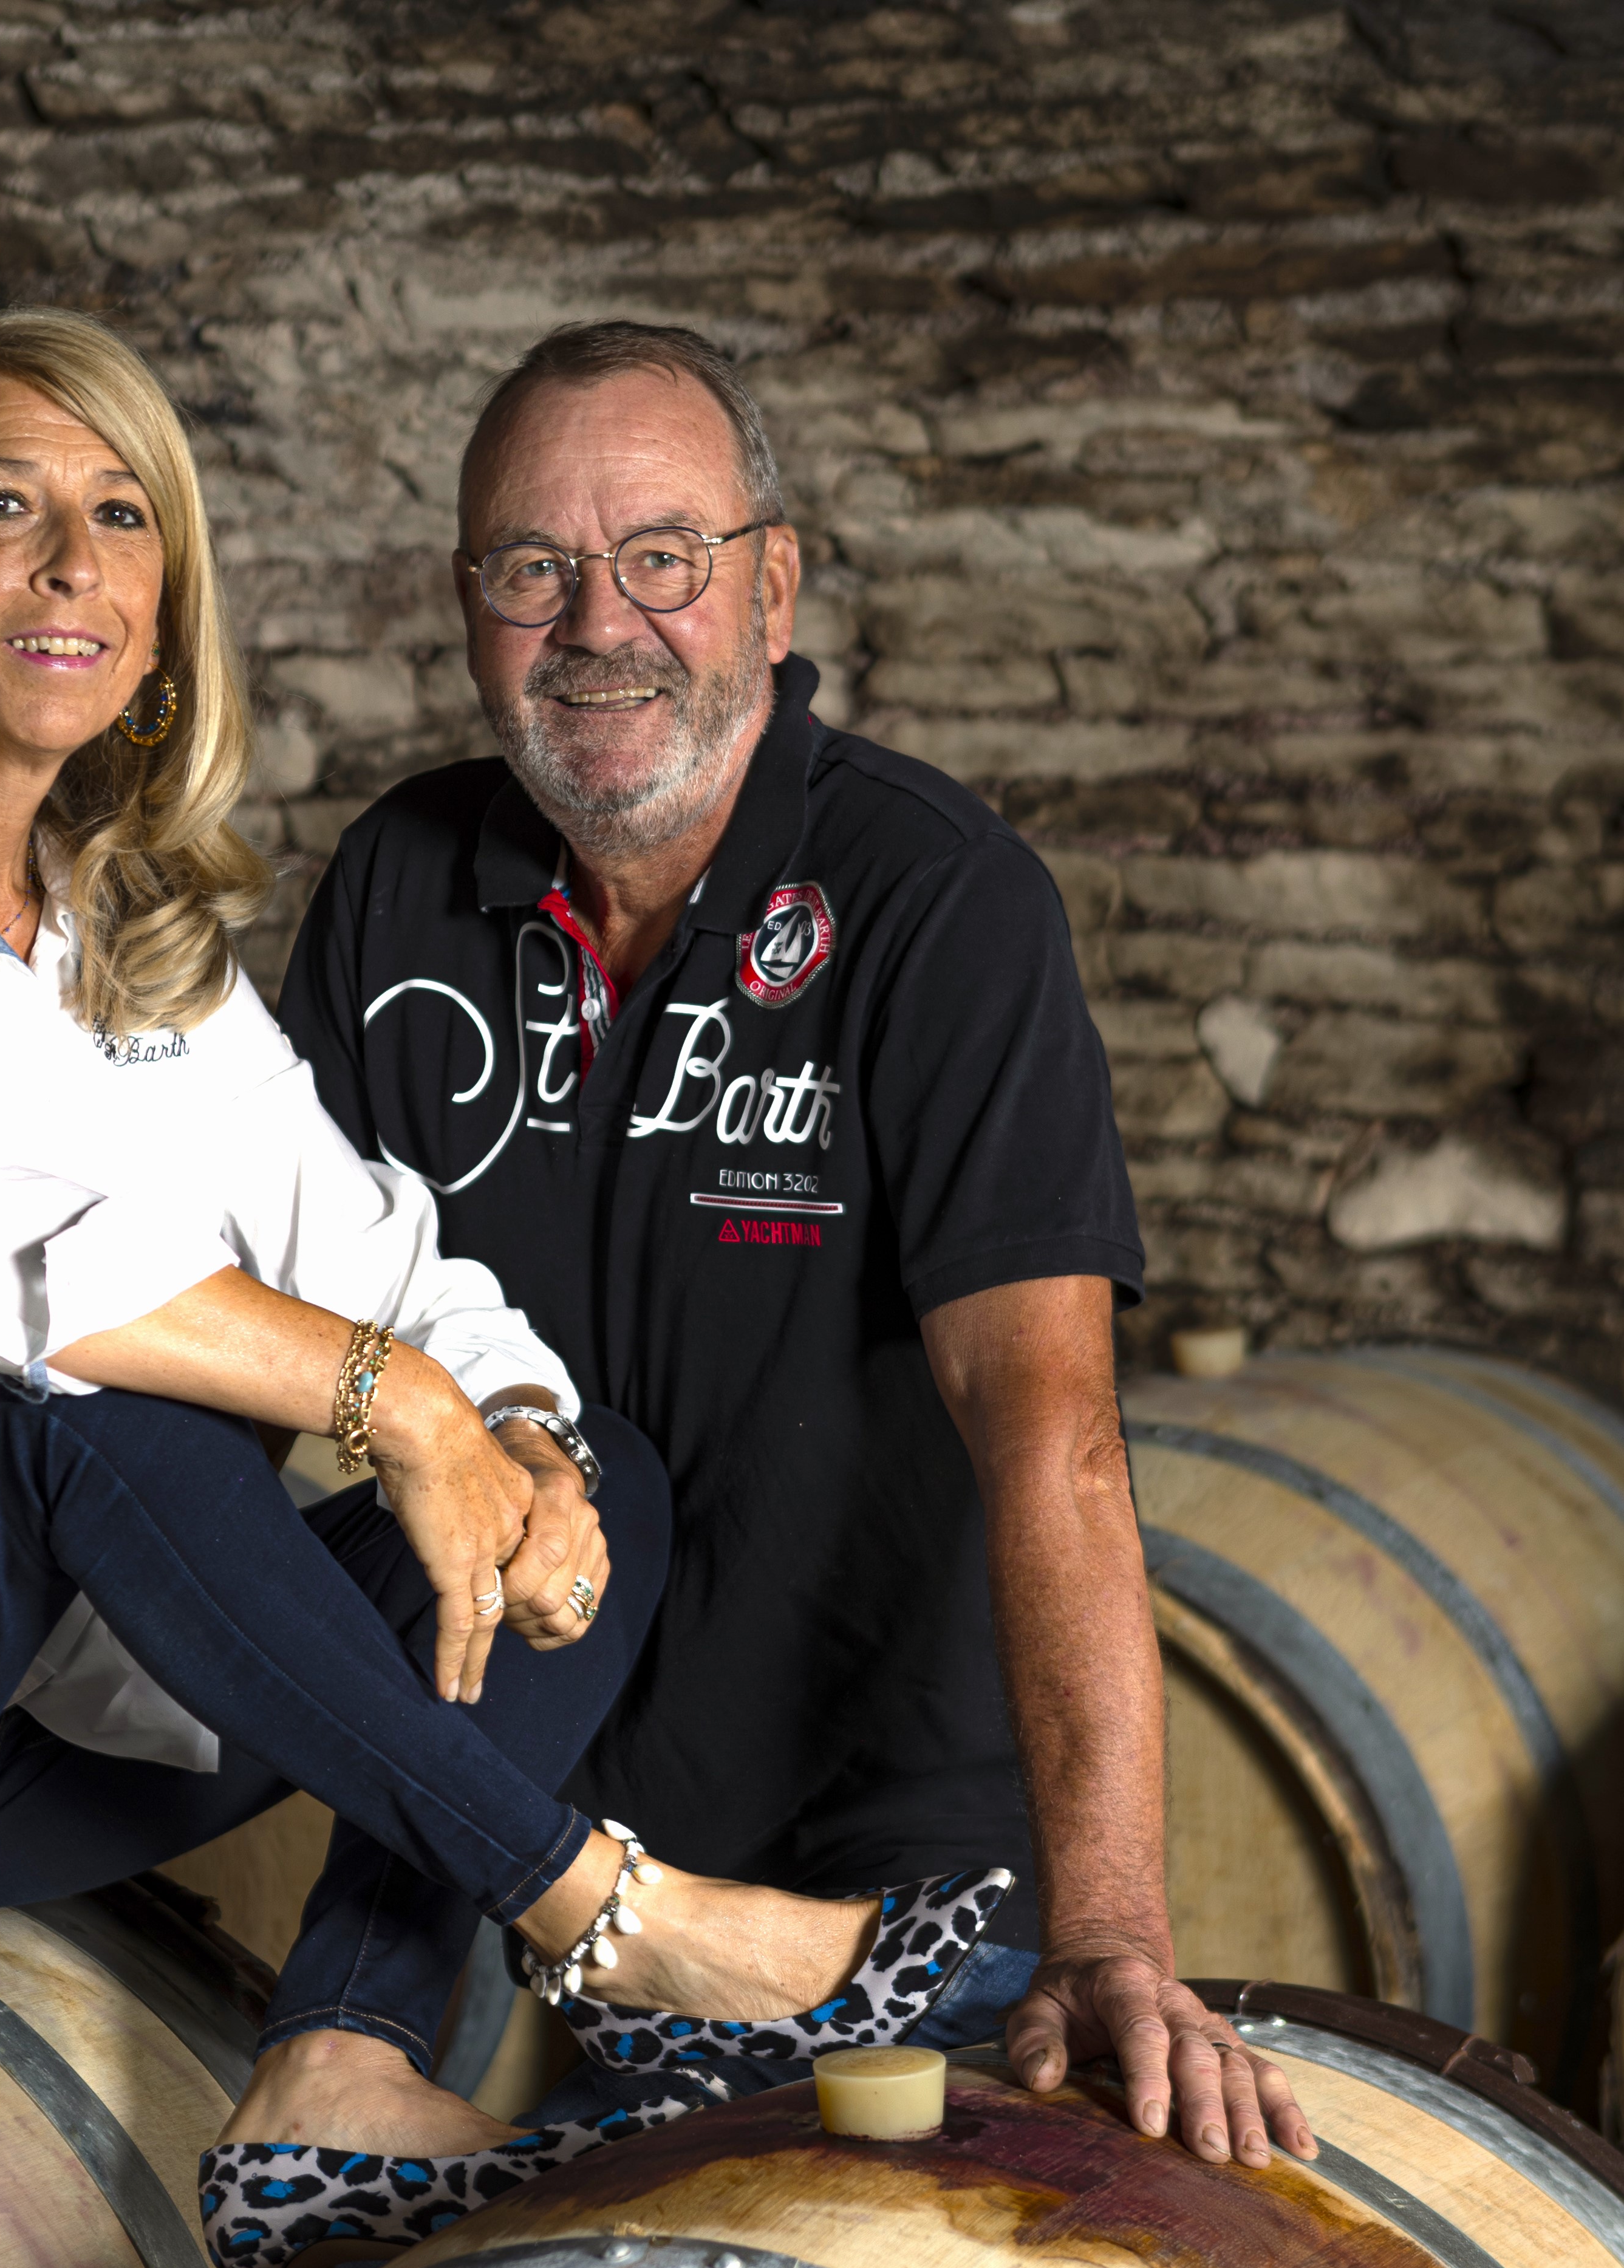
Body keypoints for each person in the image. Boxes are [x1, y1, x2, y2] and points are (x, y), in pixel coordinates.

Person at [0, 301, 1020, 2268]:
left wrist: (507, 1425)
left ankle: (340, 2055)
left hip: (55, 1747)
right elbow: (11, 1268)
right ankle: (607, 1908)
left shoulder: (147, 965)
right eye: (3, 506)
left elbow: (397, 1265)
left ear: (163, 607)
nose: (74, 565)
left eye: (124, 517)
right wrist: (395, 1406)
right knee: (60, 1399)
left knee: (602, 1478)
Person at [276, 321, 1316, 2171]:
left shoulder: (938, 903)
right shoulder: (397, 890)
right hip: (567, 1886)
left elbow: (1056, 1437)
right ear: (467, 605)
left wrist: (1112, 1938)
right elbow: (262, 1333)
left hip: (900, 1903)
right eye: (534, 568)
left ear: (773, 587)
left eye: (663, 556)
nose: (599, 622)